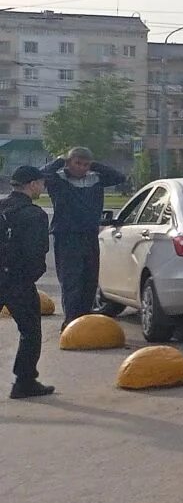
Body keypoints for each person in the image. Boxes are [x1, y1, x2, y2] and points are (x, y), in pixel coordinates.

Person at [39, 147, 125, 325]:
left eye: (86, 164)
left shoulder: (95, 179)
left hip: (90, 235)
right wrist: (60, 160)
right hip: (67, 236)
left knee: (89, 280)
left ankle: (84, 322)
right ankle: (71, 322)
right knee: (71, 281)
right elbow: (40, 174)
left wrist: (95, 165)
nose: (82, 168)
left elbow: (119, 177)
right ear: (69, 163)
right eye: (77, 163)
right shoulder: (58, 179)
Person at [1, 166, 53, 399]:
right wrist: (30, 276)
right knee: (30, 331)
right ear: (32, 185)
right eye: (41, 183)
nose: (42, 187)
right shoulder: (34, 215)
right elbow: (36, 253)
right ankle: (24, 381)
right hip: (18, 282)